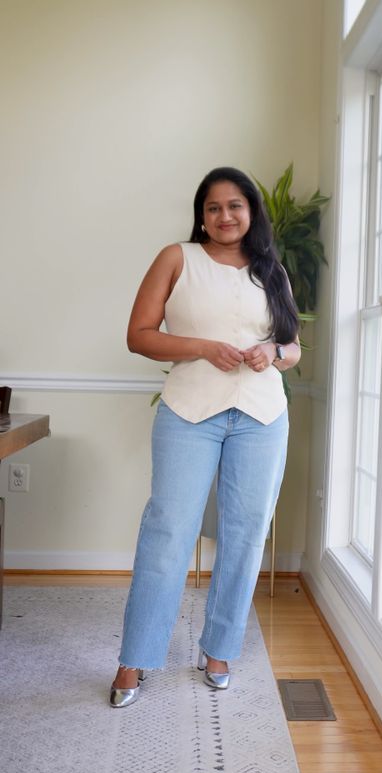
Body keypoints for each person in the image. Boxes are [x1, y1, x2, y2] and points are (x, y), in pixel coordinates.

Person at [110, 166, 301, 708]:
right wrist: (201, 347)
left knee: (244, 534)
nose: (224, 216)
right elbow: (138, 335)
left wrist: (275, 353)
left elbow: (294, 348)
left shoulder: (273, 270)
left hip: (262, 417)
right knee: (168, 530)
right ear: (202, 215)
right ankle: (135, 658)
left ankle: (218, 651)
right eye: (213, 207)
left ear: (251, 211)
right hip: (190, 411)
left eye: (235, 206)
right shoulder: (178, 259)